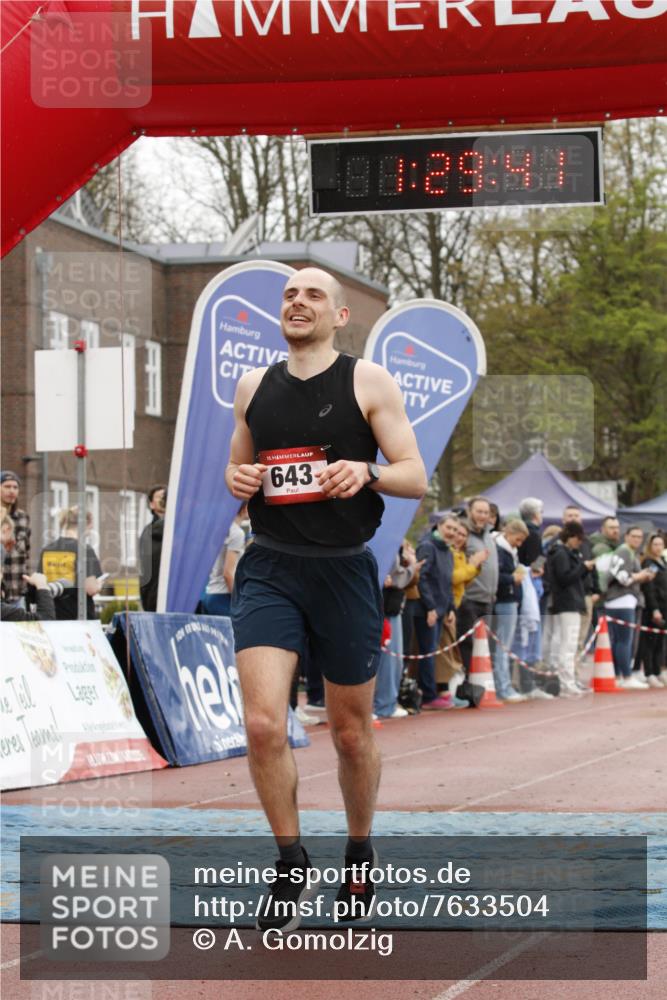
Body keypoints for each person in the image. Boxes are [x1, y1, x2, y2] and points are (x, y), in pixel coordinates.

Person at [225, 266, 427, 931]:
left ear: (340, 316)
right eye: (289, 295)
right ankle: (289, 864)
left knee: (348, 732)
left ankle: (359, 853)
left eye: (313, 294)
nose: (297, 301)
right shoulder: (252, 386)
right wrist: (241, 476)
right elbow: (238, 471)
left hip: (342, 570)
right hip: (270, 566)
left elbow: (414, 475)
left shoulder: (367, 381)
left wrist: (365, 470)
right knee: (261, 724)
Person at [413, 515, 460, 709]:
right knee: (427, 652)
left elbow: (447, 582)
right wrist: (430, 607)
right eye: (449, 527)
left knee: (432, 652)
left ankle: (431, 692)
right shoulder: (427, 546)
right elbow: (421, 579)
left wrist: (450, 608)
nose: (452, 532)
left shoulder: (447, 551)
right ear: (439, 526)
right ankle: (428, 695)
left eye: (455, 530)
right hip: (427, 610)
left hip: (442, 609)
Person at [547, 522, 595, 697]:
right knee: (567, 645)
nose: (579, 543)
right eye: (578, 539)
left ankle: (566, 682)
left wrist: (582, 569)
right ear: (571, 536)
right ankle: (566, 683)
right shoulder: (561, 553)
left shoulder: (564, 553)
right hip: (567, 603)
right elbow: (564, 578)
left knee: (566, 644)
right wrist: (583, 567)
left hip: (568, 602)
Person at [373, 543, 419, 719]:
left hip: (392, 606)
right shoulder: (388, 541)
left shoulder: (397, 543)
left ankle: (386, 703)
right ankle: (383, 704)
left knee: (393, 658)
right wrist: (412, 566)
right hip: (385, 608)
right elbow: (397, 577)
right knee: (387, 658)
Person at [604, 526, 653, 688]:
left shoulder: (628, 552)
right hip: (621, 599)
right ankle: (626, 675)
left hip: (620, 600)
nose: (637, 540)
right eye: (634, 536)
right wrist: (641, 576)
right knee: (624, 640)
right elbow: (623, 578)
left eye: (640, 537)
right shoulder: (624, 551)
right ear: (626, 536)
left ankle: (619, 674)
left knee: (620, 640)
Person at [457, 497, 498, 676]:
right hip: (469, 599)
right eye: (478, 511)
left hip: (487, 599)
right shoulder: (463, 533)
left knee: (484, 645)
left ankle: (480, 684)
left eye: (485, 512)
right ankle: (468, 685)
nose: (482, 516)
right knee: (468, 646)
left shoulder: (489, 535)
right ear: (469, 511)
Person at [38, 507, 102, 619]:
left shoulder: (47, 550)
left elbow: (41, 583)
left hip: (53, 614)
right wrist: (99, 584)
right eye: (90, 529)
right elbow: (91, 589)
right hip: (78, 615)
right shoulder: (84, 549)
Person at [491, 519, 529, 702]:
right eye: (518, 539)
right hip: (505, 600)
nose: (519, 544)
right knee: (502, 646)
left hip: (511, 600)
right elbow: (496, 576)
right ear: (509, 533)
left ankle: (504, 685)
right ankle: (503, 687)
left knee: (503, 646)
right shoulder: (499, 550)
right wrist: (513, 578)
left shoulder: (510, 551)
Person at [201, 504, 247, 616]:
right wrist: (238, 599)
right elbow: (228, 573)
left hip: (210, 594)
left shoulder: (221, 530)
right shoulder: (237, 533)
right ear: (244, 508)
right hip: (222, 596)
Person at [637, 533, 667, 687]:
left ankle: (658, 670)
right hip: (653, 608)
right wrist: (654, 608)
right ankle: (649, 672)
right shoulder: (649, 563)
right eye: (655, 544)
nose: (658, 547)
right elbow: (649, 588)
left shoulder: (662, 562)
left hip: (664, 606)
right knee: (650, 641)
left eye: (660, 544)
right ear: (650, 546)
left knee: (660, 641)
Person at [1, 471, 31, 603]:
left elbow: (26, 553)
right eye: (7, 487)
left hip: (17, 591)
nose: (12, 491)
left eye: (15, 487)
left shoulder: (23, 517)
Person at [138, 485, 166, 611]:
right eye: (159, 497)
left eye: (165, 497)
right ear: (151, 505)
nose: (163, 500)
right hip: (154, 595)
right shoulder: (148, 533)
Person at [517, 497, 543, 566]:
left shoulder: (519, 529)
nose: (542, 515)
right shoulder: (533, 533)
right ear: (536, 514)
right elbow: (535, 561)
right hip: (528, 574)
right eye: (541, 512)